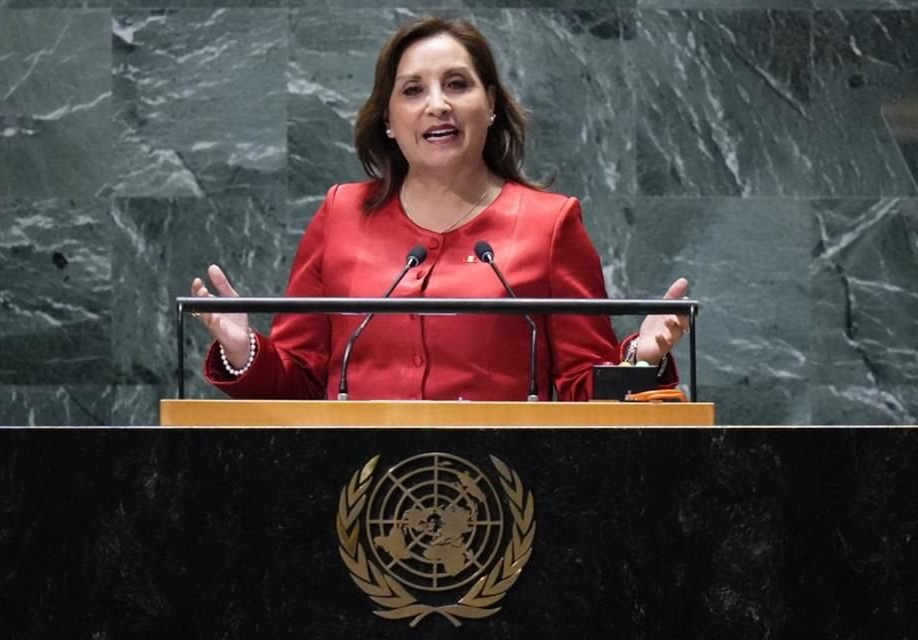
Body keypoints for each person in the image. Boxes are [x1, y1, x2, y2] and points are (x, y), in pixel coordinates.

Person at [191, 16, 689, 402]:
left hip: (501, 492)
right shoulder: (341, 214)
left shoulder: (551, 224)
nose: (438, 105)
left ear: (490, 104)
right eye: (413, 90)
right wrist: (244, 350)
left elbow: (584, 392)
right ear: (388, 119)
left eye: (457, 84)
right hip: (356, 490)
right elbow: (300, 383)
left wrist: (639, 360)